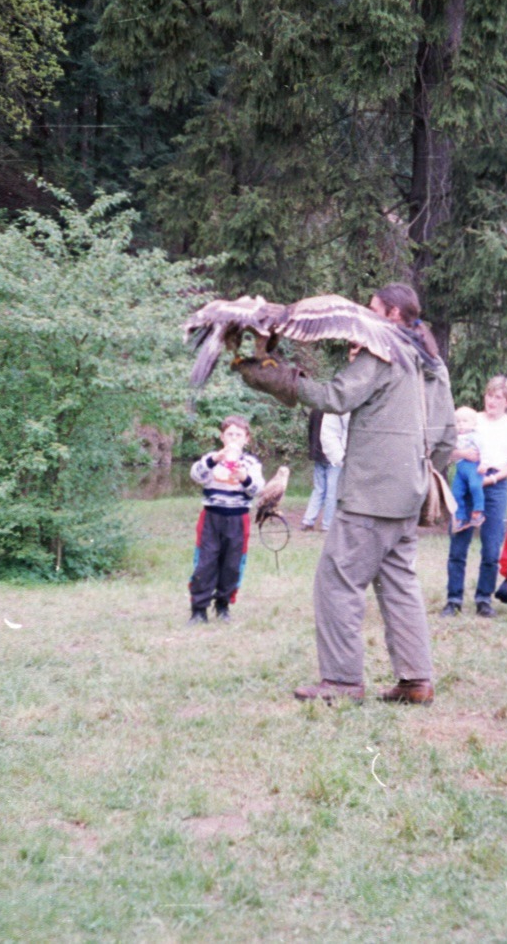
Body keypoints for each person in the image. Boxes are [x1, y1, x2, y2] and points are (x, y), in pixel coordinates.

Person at [235, 282, 455, 704]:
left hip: (371, 493)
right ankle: (416, 681)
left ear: (391, 315)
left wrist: (277, 377)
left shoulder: (384, 351)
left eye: (371, 309)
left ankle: (341, 682)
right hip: (410, 490)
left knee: (337, 581)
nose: (363, 317)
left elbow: (335, 397)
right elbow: (445, 436)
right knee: (398, 584)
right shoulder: (429, 361)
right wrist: (420, 471)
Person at [444, 375, 507, 618]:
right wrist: (462, 453)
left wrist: (492, 479)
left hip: (494, 485)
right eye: (489, 395)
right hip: (466, 481)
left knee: (491, 548)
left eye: (498, 397)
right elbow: (448, 450)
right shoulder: (472, 419)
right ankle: (453, 599)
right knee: (459, 543)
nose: (492, 401)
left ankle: (483, 599)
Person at [187, 416, 265, 624]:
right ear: (222, 437)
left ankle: (223, 605)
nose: (233, 438)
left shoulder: (250, 463)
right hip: (212, 517)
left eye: (238, 435)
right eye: (229, 434)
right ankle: (198, 609)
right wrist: (215, 460)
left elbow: (258, 489)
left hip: (238, 518)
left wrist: (244, 478)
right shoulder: (212, 458)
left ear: (246, 439)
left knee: (232, 564)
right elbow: (196, 475)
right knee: (205, 563)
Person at [300, 408, 348, 532]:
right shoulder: (337, 410)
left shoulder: (315, 410)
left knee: (319, 489)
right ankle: (327, 525)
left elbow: (310, 432)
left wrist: (313, 453)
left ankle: (308, 521)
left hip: (318, 455)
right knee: (332, 492)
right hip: (333, 456)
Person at [448, 406, 486, 534]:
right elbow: (449, 453)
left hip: (473, 466)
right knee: (456, 492)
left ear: (473, 423)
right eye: (458, 422)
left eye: (464, 421)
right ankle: (460, 518)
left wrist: (484, 464)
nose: (461, 425)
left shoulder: (475, 436)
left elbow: (484, 450)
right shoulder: (454, 437)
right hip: (460, 468)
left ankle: (478, 511)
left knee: (475, 485)